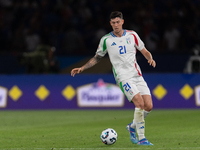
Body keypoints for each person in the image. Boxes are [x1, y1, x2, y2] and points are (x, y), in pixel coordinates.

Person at [71, 11, 156, 146]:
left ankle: (132, 127)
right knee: (139, 103)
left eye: (118, 22)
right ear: (110, 24)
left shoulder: (132, 35)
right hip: (123, 77)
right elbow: (97, 58)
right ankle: (142, 138)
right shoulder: (106, 40)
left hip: (137, 75)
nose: (116, 25)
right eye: (113, 23)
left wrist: (150, 58)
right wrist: (82, 68)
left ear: (122, 22)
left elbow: (144, 50)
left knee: (149, 106)